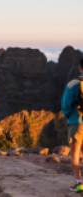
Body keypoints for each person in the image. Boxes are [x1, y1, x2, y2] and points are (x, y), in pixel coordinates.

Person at [62, 58, 83, 192]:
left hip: (77, 122)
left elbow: (65, 105)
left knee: (75, 153)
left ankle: (79, 183)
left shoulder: (73, 84)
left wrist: (70, 116)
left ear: (80, 68)